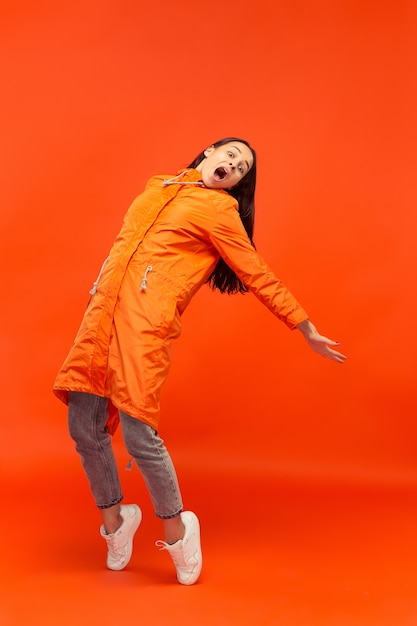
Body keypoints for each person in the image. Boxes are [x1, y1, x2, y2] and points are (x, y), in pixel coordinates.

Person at [53, 137, 346, 586]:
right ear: (207, 154)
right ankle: (116, 523)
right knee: (83, 425)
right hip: (102, 313)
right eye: (229, 154)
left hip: (145, 323)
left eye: (242, 166)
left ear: (238, 184)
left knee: (137, 433)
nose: (233, 163)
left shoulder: (221, 211)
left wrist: (303, 326)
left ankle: (178, 530)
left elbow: (255, 271)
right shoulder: (159, 185)